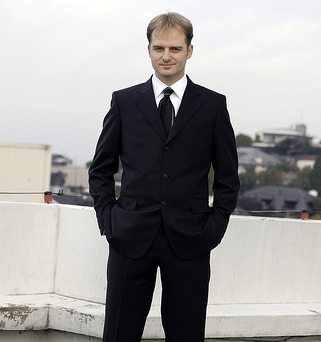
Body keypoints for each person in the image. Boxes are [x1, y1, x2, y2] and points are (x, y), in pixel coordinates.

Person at [88, 12, 240, 342]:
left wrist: (213, 229)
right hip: (129, 237)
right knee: (118, 334)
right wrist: (109, 220)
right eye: (159, 48)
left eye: (174, 48)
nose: (166, 56)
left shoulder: (213, 105)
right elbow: (101, 169)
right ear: (148, 50)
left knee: (186, 335)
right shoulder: (124, 102)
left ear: (189, 50)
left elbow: (228, 177)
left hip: (190, 239)